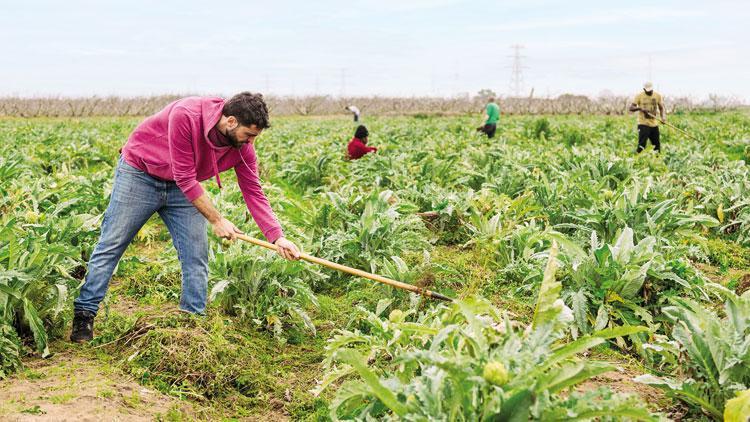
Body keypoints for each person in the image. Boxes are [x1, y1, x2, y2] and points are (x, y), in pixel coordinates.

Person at [70, 92, 301, 343]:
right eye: (249, 135)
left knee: (196, 254)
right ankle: (85, 313)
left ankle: (192, 323)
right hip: (140, 173)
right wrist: (216, 220)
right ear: (231, 122)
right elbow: (185, 177)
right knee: (111, 244)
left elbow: (253, 191)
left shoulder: (243, 148)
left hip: (182, 188)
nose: (251, 142)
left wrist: (278, 238)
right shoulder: (187, 115)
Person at [629, 82, 666, 153]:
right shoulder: (639, 96)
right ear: (644, 89)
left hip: (654, 124)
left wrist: (663, 118)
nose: (649, 92)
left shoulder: (658, 96)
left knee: (656, 145)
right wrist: (640, 108)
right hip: (643, 123)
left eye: (651, 90)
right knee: (642, 145)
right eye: (647, 91)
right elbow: (631, 108)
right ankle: (638, 160)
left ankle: (657, 161)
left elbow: (661, 108)